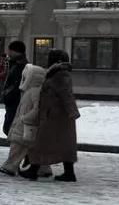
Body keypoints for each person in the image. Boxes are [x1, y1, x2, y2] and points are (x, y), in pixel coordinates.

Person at [19, 49, 80, 182]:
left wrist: (72, 111)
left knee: (42, 143)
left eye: (50, 58)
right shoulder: (57, 73)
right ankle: (69, 173)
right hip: (56, 116)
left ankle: (33, 171)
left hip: (54, 116)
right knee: (62, 144)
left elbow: (66, 94)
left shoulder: (60, 74)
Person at [0, 64, 47, 176]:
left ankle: (9, 167)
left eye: (25, 78)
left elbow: (37, 109)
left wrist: (25, 118)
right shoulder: (28, 91)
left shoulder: (35, 92)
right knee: (31, 149)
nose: (22, 80)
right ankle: (44, 169)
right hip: (25, 126)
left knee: (17, 148)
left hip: (27, 125)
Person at [0, 41, 28, 135]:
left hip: (16, 104)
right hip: (13, 104)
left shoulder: (21, 66)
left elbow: (16, 86)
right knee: (10, 130)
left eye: (10, 51)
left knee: (12, 130)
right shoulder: (15, 64)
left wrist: (8, 96)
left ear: (16, 51)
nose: (9, 53)